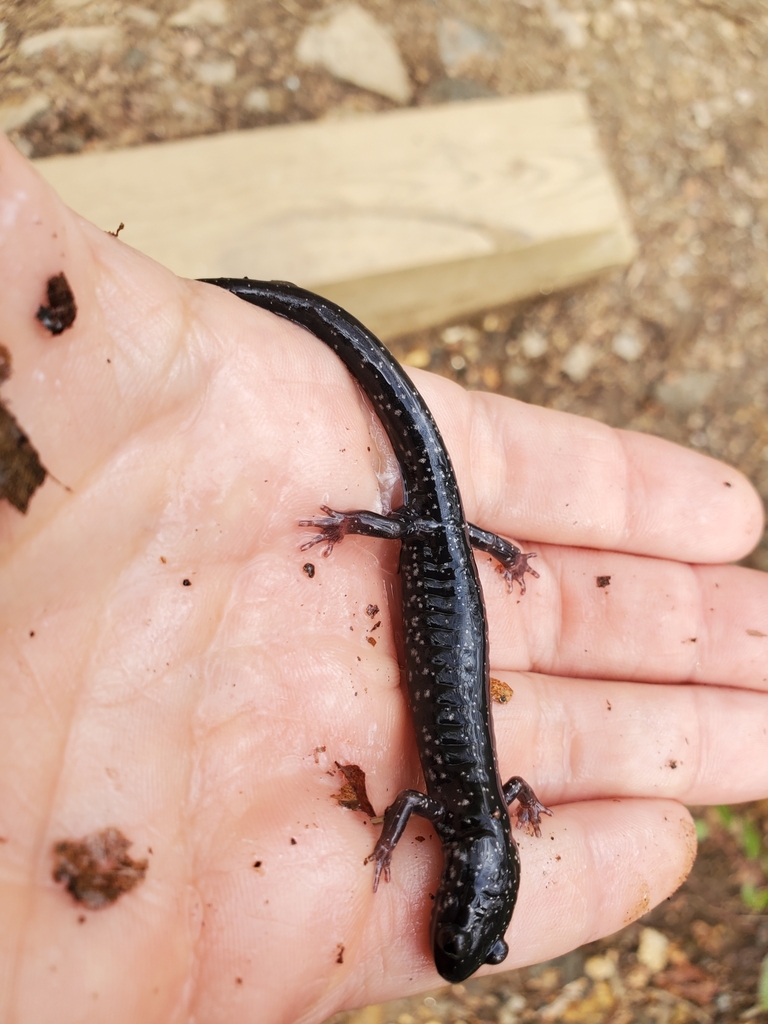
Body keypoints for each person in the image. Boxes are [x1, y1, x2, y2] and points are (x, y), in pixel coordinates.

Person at [0, 132, 766, 1024]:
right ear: (475, 880)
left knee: (429, 525)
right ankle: (281, 314)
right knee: (418, 519)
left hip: (447, 554)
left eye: (465, 931)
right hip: (433, 548)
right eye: (468, 924)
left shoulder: (498, 808)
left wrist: (498, 553)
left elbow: (462, 797)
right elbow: (403, 801)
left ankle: (395, 466)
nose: (452, 925)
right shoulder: (449, 810)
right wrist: (358, 525)